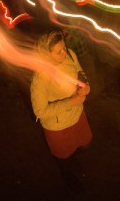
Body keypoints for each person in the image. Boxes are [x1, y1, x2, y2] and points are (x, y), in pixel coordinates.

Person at [30, 30, 92, 190]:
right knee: (64, 158)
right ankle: (69, 180)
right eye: (59, 51)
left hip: (77, 115)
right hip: (58, 127)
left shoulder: (70, 54)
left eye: (63, 47)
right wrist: (70, 102)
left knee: (82, 145)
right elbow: (40, 112)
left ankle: (74, 161)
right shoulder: (40, 77)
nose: (64, 52)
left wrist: (85, 86)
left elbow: (80, 73)